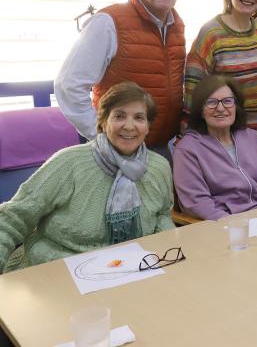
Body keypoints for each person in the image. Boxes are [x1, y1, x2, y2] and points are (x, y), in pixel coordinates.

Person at [0, 82, 174, 273]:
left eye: (139, 118)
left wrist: (169, 255)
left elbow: (162, 215)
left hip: (129, 270)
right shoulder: (68, 163)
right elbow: (12, 218)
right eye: (119, 116)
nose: (129, 126)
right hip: (56, 269)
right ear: (103, 122)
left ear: (148, 126)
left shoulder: (160, 167)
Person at [55, 0, 186, 150]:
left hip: (160, 146)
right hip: (117, 148)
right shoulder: (108, 22)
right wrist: (102, 137)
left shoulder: (177, 26)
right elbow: (68, 85)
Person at [173, 75, 257, 220]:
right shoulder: (188, 149)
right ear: (200, 110)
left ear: (236, 106)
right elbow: (196, 203)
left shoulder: (254, 138)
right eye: (211, 102)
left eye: (227, 101)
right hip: (224, 226)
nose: (220, 108)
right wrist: (233, 225)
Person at [183, 0, 257, 133]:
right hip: (222, 132)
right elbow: (193, 87)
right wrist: (189, 130)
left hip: (256, 132)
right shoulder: (211, 32)